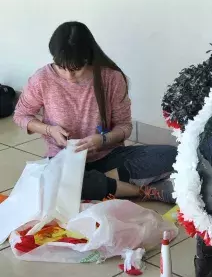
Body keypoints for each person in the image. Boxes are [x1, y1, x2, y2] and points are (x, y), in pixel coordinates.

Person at [14, 21, 176, 203]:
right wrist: (50, 130)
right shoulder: (42, 79)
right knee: (53, 181)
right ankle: (140, 191)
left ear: (87, 59)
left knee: (175, 156)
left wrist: (103, 140)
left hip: (107, 156)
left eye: (76, 70)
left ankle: (97, 183)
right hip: (64, 160)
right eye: (61, 68)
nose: (69, 77)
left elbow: (124, 126)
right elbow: (21, 115)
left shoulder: (111, 78)